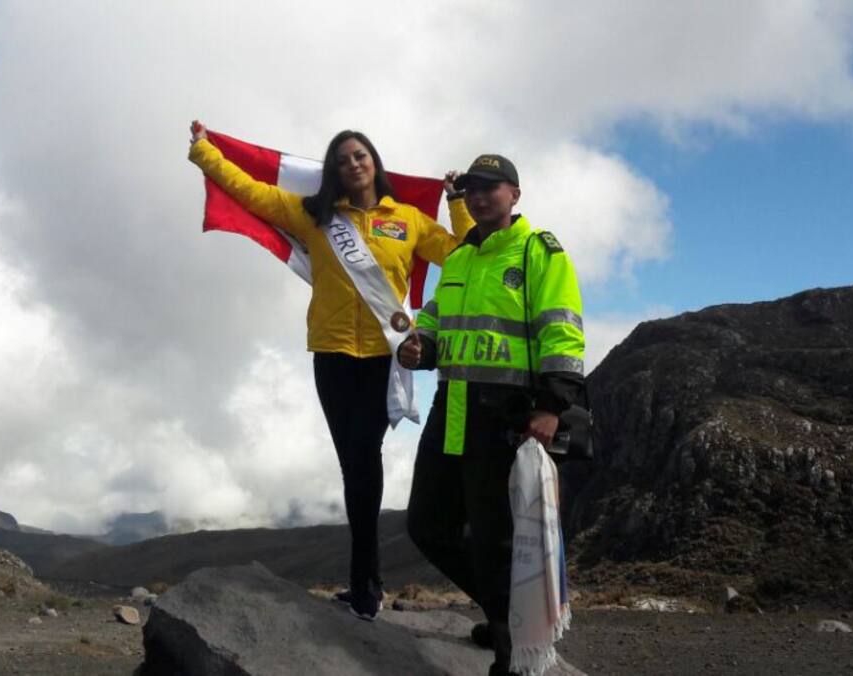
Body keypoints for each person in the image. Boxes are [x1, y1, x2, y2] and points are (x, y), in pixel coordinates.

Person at [188, 122, 475, 621]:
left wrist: (456, 204)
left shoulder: (407, 220)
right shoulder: (315, 216)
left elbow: (466, 257)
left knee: (363, 460)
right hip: (332, 356)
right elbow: (253, 193)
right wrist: (205, 153)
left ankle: (366, 588)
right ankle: (366, 584)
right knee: (355, 465)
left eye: (360, 155)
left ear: (374, 163)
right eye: (343, 160)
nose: (353, 164)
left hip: (384, 359)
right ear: (335, 173)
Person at [399, 154, 584, 675]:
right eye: (473, 190)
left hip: (506, 419)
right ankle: (510, 614)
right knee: (427, 525)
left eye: (491, 188)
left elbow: (563, 331)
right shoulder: (458, 259)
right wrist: (419, 347)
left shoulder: (537, 252)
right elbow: (435, 322)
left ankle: (512, 658)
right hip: (451, 409)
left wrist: (551, 407)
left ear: (514, 195)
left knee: (496, 542)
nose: (480, 197)